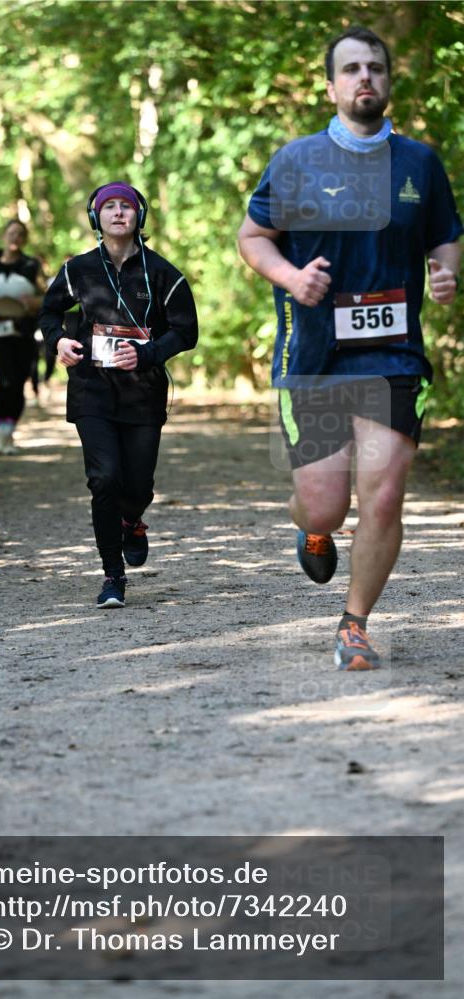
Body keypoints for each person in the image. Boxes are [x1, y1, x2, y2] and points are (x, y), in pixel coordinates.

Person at [237, 26, 461, 670]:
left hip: (393, 352)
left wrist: (444, 273)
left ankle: (354, 622)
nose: (366, 77)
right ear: (332, 86)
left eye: (377, 68)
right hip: (314, 355)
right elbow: (254, 238)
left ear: (389, 81)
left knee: (384, 493)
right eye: (352, 69)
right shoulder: (297, 159)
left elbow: (445, 236)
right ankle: (311, 524)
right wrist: (292, 278)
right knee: (326, 503)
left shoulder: (420, 163)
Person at [39, 181, 198, 609]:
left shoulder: (165, 273)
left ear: (138, 217)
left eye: (125, 207)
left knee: (138, 484)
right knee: (104, 478)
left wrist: (148, 355)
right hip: (92, 390)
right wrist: (58, 341)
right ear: (96, 218)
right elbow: (49, 311)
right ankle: (112, 576)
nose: (117, 213)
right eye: (108, 207)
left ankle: (132, 520)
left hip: (143, 393)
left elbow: (186, 331)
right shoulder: (79, 270)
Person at [0, 219, 46, 454]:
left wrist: (34, 302)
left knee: (18, 381)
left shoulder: (31, 266)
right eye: (11, 233)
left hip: (23, 331)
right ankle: (1, 433)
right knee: (4, 380)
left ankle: (9, 433)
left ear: (24, 240)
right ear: (3, 235)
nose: (15, 238)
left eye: (20, 234)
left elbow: (47, 296)